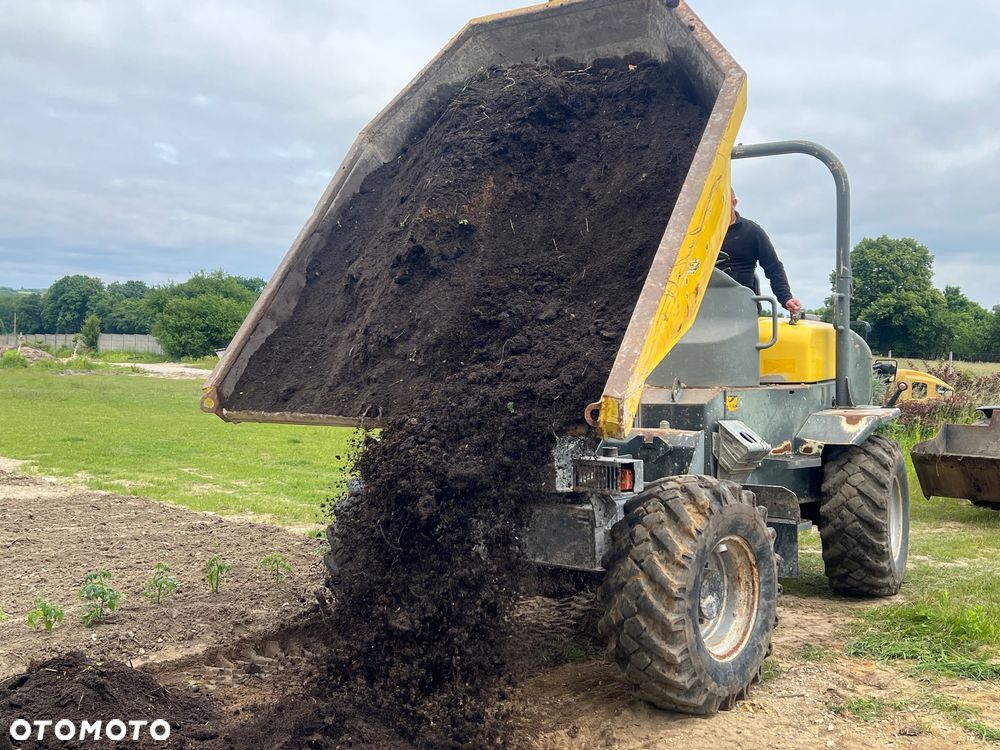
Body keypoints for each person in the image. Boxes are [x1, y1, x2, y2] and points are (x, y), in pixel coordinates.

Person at [719, 191, 803, 315]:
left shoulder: (752, 232)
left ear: (733, 203)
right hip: (703, 304)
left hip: (741, 307)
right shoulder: (698, 233)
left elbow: (773, 267)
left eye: (721, 202)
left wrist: (786, 298)